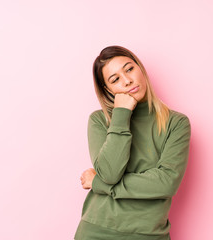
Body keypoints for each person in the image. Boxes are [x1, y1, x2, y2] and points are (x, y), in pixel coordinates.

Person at [74, 45, 191, 240]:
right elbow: (110, 174)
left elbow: (165, 183)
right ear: (108, 89)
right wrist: (121, 115)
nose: (127, 80)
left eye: (129, 69)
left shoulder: (176, 123)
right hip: (96, 231)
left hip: (148, 234)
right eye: (115, 79)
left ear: (140, 68)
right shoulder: (99, 121)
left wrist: (99, 183)